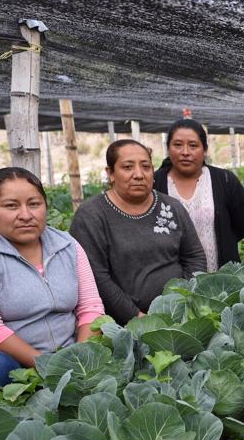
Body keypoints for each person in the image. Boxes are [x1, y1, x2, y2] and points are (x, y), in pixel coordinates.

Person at [0, 167, 105, 398]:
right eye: (11, 206)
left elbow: (91, 308)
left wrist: (81, 358)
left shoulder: (67, 245)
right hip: (3, 363)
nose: (26, 215)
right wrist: (49, 367)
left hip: (67, 355)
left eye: (34, 204)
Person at [70, 139, 207, 325]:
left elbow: (194, 257)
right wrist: (137, 318)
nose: (139, 175)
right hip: (123, 325)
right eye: (127, 167)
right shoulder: (91, 215)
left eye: (146, 167)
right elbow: (97, 277)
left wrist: (184, 304)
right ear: (110, 173)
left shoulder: (171, 207)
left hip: (180, 316)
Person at [154, 119, 244, 271]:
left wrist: (223, 240)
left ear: (205, 150)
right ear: (168, 148)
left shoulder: (225, 180)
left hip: (221, 278)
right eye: (178, 145)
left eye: (193, 145)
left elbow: (243, 225)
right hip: (171, 282)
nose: (185, 152)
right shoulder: (154, 184)